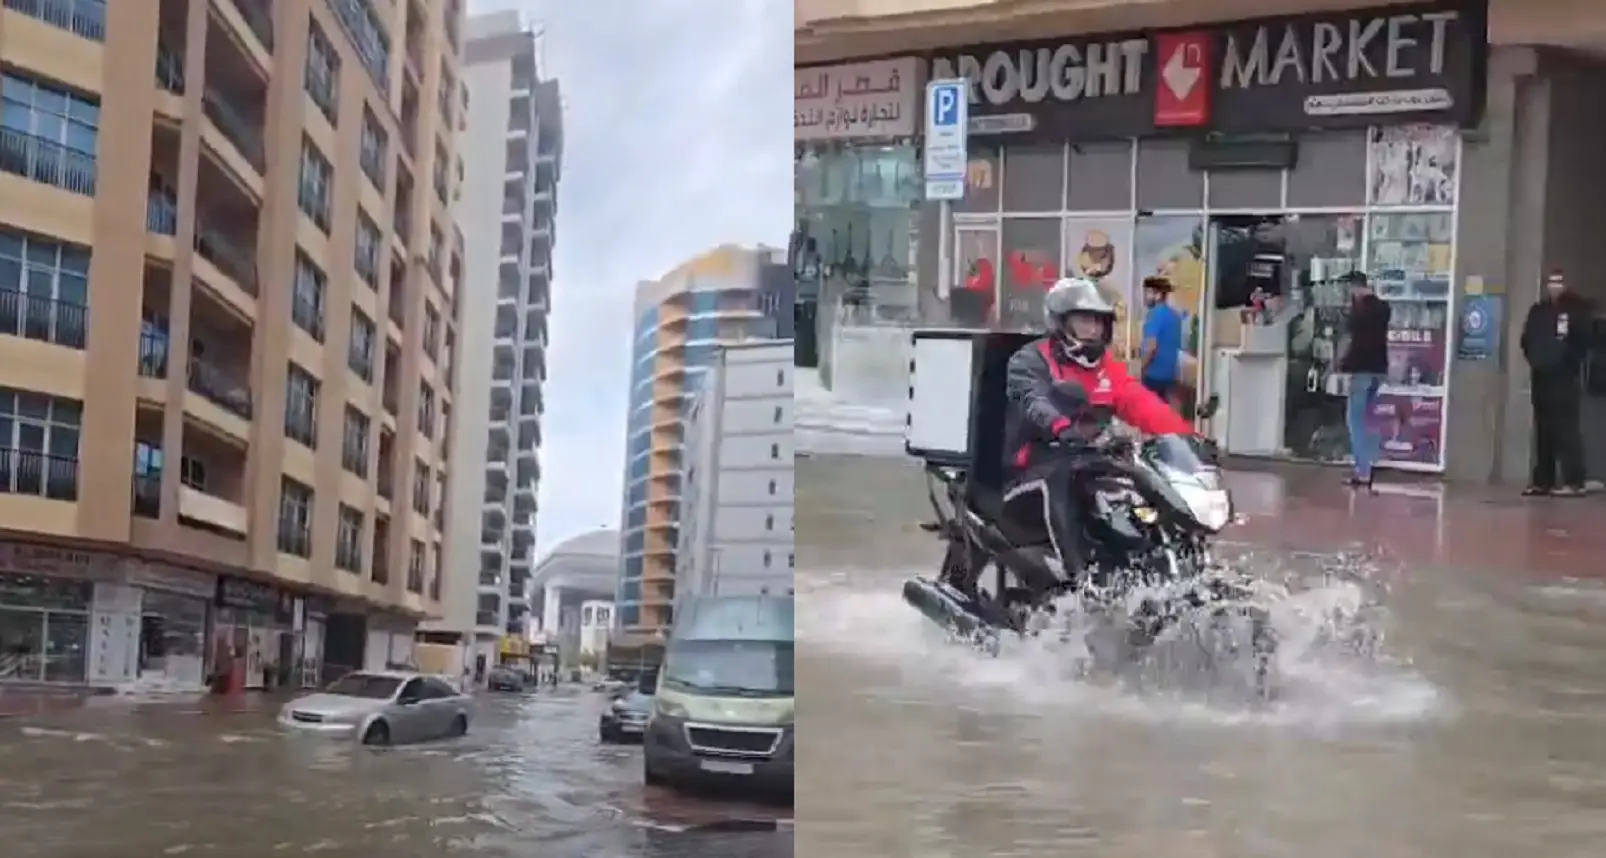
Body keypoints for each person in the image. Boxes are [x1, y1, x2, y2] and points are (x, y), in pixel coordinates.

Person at [1002, 277, 1196, 583]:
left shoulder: (1106, 367)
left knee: (1141, 479)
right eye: (1084, 321)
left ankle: (1159, 565)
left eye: (1098, 322)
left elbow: (1142, 403)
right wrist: (1061, 426)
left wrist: (1190, 440)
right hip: (1033, 464)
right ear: (1060, 323)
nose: (1093, 329)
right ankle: (1077, 578)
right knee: (1060, 478)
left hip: (1088, 457)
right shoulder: (1030, 360)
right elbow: (1032, 400)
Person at [1520, 269, 1590, 496]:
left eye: (1559, 283)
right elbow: (1526, 339)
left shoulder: (1575, 310)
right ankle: (1543, 480)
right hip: (1541, 376)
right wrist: (1535, 359)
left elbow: (1583, 341)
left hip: (1564, 377)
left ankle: (1574, 480)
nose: (1554, 287)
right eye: (1551, 283)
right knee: (1544, 429)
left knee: (1566, 429)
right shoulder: (1538, 311)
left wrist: (1567, 361)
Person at [1338, 270, 1391, 488]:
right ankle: (1368, 464)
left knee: (1355, 422)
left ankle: (1363, 473)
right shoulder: (1383, 308)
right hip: (1379, 370)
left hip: (1360, 371)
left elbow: (1348, 340)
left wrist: (1337, 365)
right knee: (1366, 421)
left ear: (1354, 287)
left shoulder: (1357, 312)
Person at [1139, 276, 1184, 407]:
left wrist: (1140, 369)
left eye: (1147, 292)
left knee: (1149, 417)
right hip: (1170, 376)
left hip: (1153, 376)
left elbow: (1151, 346)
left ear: (1158, 295)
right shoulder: (1175, 316)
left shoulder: (1154, 314)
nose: (1144, 297)